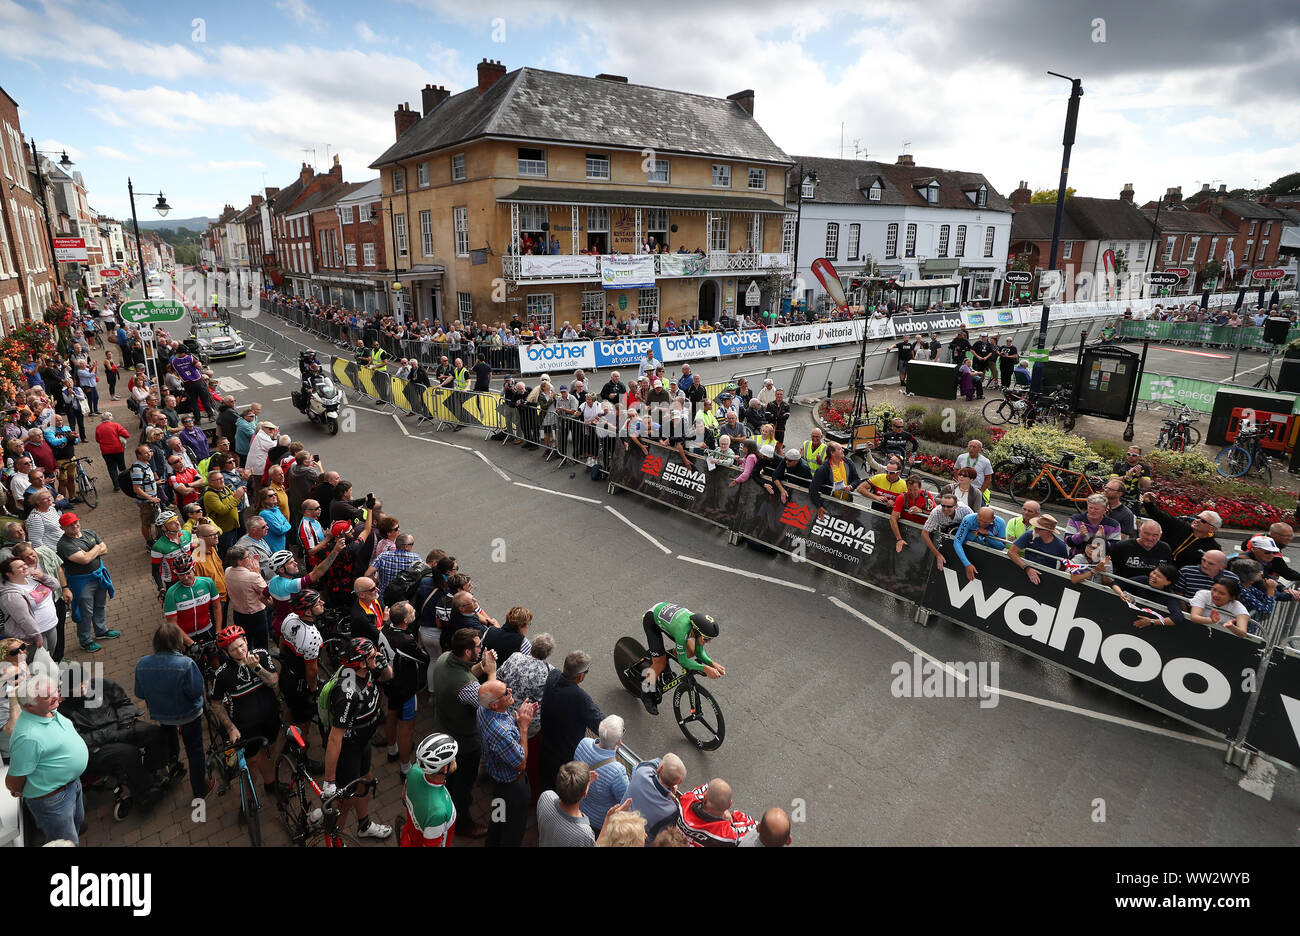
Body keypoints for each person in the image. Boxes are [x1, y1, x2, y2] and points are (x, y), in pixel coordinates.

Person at [4, 674, 89, 844]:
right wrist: (21, 789)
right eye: (47, 696)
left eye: (55, 692)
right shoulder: (27, 737)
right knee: (64, 842)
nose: (56, 696)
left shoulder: (48, 711)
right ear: (29, 706)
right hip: (54, 799)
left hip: (72, 785)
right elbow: (13, 782)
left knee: (76, 826)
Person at [322, 637, 394, 840]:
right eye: (373, 655)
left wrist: (384, 665)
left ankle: (364, 825)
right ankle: (333, 840)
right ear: (361, 662)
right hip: (348, 749)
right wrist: (329, 781)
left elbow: (388, 677)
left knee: (364, 783)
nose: (377, 656)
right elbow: (335, 739)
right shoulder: (348, 693)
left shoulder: (367, 668)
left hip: (363, 743)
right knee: (345, 802)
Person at [134, 623, 212, 803]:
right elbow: (196, 691)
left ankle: (173, 763)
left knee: (169, 738)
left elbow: (139, 693)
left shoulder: (143, 664)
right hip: (189, 714)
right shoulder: (186, 664)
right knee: (195, 750)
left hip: (162, 714)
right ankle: (200, 789)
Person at [431, 628, 494, 839]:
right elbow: (488, 704)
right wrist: (491, 672)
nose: (481, 647)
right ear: (467, 652)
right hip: (464, 743)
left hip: (445, 727)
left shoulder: (444, 658)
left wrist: (480, 666)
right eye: (477, 646)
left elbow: (463, 674)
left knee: (451, 779)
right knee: (463, 783)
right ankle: (463, 824)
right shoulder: (467, 685)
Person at [209, 625, 279, 796]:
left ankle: (271, 784)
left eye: (241, 645)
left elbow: (274, 682)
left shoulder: (261, 655)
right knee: (251, 761)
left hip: (270, 717)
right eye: (233, 649)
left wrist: (257, 668)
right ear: (226, 652)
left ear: (246, 641)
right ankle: (250, 797)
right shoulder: (222, 674)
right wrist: (231, 728)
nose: (240, 651)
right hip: (245, 726)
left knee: (269, 752)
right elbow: (216, 703)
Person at [477, 678, 537, 847]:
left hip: (498, 783)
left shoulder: (482, 710)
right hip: (512, 789)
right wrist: (524, 727)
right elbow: (521, 763)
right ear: (494, 705)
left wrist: (518, 720)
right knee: (513, 832)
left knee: (497, 819)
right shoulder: (500, 731)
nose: (510, 691)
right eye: (505, 693)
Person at [638, 603, 723, 715]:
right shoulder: (682, 631)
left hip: (670, 621)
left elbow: (699, 652)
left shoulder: (698, 626)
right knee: (659, 664)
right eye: (706, 639)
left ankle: (664, 654)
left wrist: (712, 663)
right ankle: (646, 692)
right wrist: (705, 668)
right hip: (652, 621)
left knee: (690, 651)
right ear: (696, 631)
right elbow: (683, 661)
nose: (708, 642)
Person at [539, 650, 604, 792]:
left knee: (546, 779)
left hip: (546, 742)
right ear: (580, 676)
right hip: (566, 752)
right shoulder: (580, 697)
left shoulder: (553, 676)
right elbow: (600, 724)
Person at [56, 513, 119, 653]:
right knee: (85, 612)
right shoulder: (64, 544)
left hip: (99, 576)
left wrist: (88, 553)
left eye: (76, 522)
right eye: (70, 524)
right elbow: (84, 560)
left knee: (100, 605)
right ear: (62, 527)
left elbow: (106, 549)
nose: (75, 526)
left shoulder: (89, 532)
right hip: (81, 581)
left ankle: (101, 630)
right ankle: (86, 641)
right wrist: (97, 548)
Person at [378, 601, 428, 776]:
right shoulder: (405, 640)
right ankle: (405, 768)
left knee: (391, 714)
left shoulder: (385, 628)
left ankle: (392, 751)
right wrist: (419, 643)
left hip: (389, 682)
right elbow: (423, 658)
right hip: (405, 687)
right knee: (407, 729)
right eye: (412, 611)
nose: (414, 611)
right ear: (406, 621)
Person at [400, 732, 458, 847]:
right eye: (452, 758)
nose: (455, 759)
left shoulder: (414, 770)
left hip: (408, 837)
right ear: (444, 768)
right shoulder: (439, 812)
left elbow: (404, 798)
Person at [573, 714, 628, 835]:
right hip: (598, 822)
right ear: (618, 742)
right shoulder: (617, 771)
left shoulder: (584, 743)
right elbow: (624, 799)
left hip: (578, 807)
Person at [1140, 494, 1221, 567]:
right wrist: (1148, 503)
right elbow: (1161, 516)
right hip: (1155, 565)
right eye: (1197, 517)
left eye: (1203, 521)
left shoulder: (1213, 548)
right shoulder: (1181, 526)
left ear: (1212, 528)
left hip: (1181, 577)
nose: (1197, 520)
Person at [0, 556, 60, 652]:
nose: (25, 567)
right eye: (19, 567)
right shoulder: (11, 594)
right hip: (36, 634)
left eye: (24, 564)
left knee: (50, 655)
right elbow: (23, 618)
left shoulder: (32, 578)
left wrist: (42, 576)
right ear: (9, 574)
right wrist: (36, 636)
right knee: (38, 663)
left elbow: (55, 586)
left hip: (51, 625)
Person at [675, 778, 757, 847]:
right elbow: (755, 826)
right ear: (729, 805)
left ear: (705, 799)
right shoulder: (727, 834)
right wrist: (733, 816)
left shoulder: (686, 801)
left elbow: (706, 787)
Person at [627, 752, 686, 844]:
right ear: (679, 782)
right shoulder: (672, 809)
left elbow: (652, 763)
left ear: (659, 768)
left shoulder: (642, 772)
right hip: (637, 841)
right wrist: (670, 796)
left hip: (619, 825)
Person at [536, 760, 597, 847]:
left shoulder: (546, 796)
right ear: (584, 794)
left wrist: (584, 785)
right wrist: (607, 821)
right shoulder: (584, 833)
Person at [951, 506, 1007, 582]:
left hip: (987, 556)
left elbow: (1001, 547)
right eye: (979, 520)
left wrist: (988, 535)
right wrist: (967, 564)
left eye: (985, 522)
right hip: (969, 553)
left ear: (992, 519)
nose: (981, 524)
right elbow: (957, 542)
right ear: (977, 515)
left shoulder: (1000, 522)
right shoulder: (968, 519)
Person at [808, 442, 862, 519]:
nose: (843, 450)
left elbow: (857, 479)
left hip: (846, 506)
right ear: (832, 453)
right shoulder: (823, 469)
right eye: (840, 449)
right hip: (829, 507)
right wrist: (818, 507)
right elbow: (813, 489)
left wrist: (850, 486)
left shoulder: (849, 462)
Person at [1064, 494, 1123, 559]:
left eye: (1096, 509)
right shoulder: (1075, 519)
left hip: (1100, 561)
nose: (1092, 511)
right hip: (1076, 558)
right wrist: (1080, 536)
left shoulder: (1114, 525)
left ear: (1105, 510)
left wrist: (1100, 539)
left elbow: (1115, 549)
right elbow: (1068, 542)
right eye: (1090, 507)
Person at [889, 476, 936, 553]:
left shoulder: (926, 496)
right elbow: (893, 518)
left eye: (915, 490)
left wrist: (921, 511)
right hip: (905, 529)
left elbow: (935, 513)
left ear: (920, 487)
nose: (912, 492)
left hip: (922, 530)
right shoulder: (902, 497)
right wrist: (899, 539)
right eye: (909, 489)